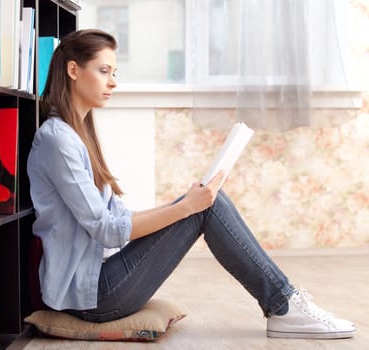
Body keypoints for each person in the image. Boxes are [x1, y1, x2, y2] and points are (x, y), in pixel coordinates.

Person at [27, 29, 355, 339]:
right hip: (93, 296)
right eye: (104, 71)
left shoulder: (78, 136)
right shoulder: (58, 140)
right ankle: (284, 305)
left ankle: (284, 302)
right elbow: (107, 229)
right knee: (203, 208)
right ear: (73, 70)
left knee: (206, 201)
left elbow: (117, 217)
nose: (113, 82)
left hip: (101, 277)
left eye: (115, 72)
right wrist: (185, 208)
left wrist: (183, 205)